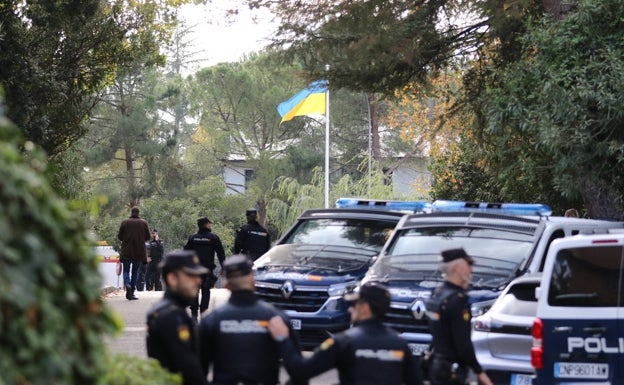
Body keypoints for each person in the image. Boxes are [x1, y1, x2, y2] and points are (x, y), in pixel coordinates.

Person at [267, 282, 423, 385]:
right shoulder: (400, 345)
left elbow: (300, 371)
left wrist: (283, 339)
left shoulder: (345, 342)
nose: (349, 309)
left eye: (354, 304)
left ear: (365, 308)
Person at [199, 254, 304, 385]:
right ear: (253, 281)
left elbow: (197, 374)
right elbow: (300, 374)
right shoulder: (276, 319)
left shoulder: (211, 321)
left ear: (226, 285)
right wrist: (283, 340)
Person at [425, 248, 493, 385]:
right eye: (469, 265)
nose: (471, 270)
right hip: (452, 372)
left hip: (437, 367)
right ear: (457, 268)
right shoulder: (457, 300)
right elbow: (463, 345)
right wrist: (479, 372)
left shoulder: (436, 295)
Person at [146, 250, 209, 385]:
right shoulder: (170, 316)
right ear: (172, 279)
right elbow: (188, 369)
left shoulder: (171, 310)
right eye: (191, 275)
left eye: (198, 275)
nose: (198, 280)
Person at [184, 217, 226, 320]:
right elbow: (221, 253)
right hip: (207, 269)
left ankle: (194, 315)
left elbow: (185, 252)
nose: (210, 225)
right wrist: (224, 267)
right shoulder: (213, 237)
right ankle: (204, 313)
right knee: (206, 291)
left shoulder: (193, 237)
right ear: (206, 225)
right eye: (209, 224)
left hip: (194, 269)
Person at [117, 207, 151, 300]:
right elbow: (148, 237)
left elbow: (120, 237)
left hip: (127, 251)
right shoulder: (143, 223)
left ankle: (127, 283)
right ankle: (131, 292)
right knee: (135, 272)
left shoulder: (125, 222)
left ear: (131, 213)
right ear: (138, 213)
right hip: (138, 252)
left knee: (126, 271)